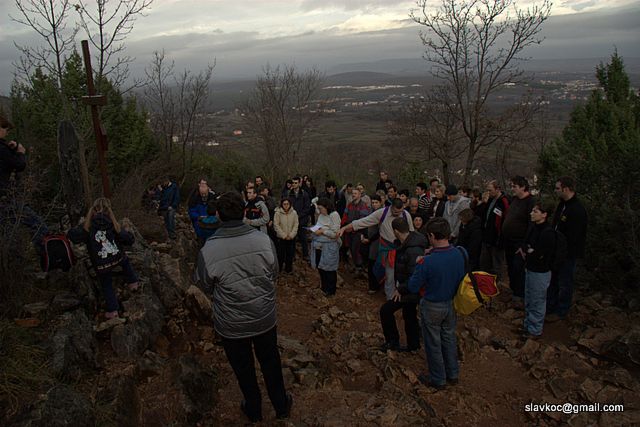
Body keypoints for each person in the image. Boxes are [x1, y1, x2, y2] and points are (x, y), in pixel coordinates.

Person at [196, 192, 292, 423]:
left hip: (232, 324)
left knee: (243, 368)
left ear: (218, 215)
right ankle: (281, 405)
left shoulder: (209, 250)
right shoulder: (263, 241)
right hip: (264, 316)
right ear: (244, 213)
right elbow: (274, 272)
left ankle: (254, 409)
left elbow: (204, 284)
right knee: (270, 362)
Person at [408, 217, 464, 390]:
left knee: (433, 342)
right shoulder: (459, 253)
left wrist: (419, 264)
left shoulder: (427, 262)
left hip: (432, 304)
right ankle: (452, 373)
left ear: (432, 236)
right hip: (451, 302)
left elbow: (413, 286)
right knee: (448, 338)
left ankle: (438, 378)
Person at [68, 198, 139, 319]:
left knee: (106, 283)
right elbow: (128, 239)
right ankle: (133, 283)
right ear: (109, 210)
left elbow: (73, 236)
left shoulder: (87, 227)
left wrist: (87, 219)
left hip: (101, 264)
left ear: (93, 210)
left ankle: (113, 310)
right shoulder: (112, 224)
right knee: (125, 261)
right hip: (117, 258)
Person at [339, 198, 414, 301]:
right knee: (389, 275)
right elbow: (363, 222)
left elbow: (411, 232)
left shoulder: (406, 215)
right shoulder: (382, 213)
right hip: (387, 249)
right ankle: (390, 299)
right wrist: (344, 228)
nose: (398, 214)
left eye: (400, 212)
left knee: (402, 274)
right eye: (396, 212)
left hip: (402, 249)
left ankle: (402, 296)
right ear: (391, 207)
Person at [0, 115, 49, 252]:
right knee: (38, 226)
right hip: (7, 197)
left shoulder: (3, 148)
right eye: (5, 128)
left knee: (8, 234)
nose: (6, 132)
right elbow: (19, 165)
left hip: (5, 198)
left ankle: (11, 267)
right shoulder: (2, 149)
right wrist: (21, 152)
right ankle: (48, 257)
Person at [379, 217, 427, 352]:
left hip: (409, 289)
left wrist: (401, 289)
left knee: (386, 310)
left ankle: (393, 342)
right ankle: (413, 345)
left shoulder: (412, 250)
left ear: (396, 231)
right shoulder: (407, 243)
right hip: (408, 288)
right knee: (409, 315)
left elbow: (414, 274)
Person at [547, 176, 588, 321]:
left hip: (567, 254)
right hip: (555, 251)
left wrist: (563, 252)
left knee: (564, 281)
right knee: (553, 280)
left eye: (558, 188)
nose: (556, 191)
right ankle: (550, 306)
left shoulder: (577, 210)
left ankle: (561, 311)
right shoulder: (562, 205)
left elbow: (574, 237)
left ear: (566, 188)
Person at [520, 200, 556, 338]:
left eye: (535, 211)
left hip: (540, 272)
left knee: (537, 300)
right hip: (530, 268)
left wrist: (531, 251)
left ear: (544, 214)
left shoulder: (548, 233)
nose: (531, 213)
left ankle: (534, 330)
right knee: (529, 298)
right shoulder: (534, 227)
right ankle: (528, 325)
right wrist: (528, 250)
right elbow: (526, 245)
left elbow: (540, 254)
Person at [502, 176, 535, 302]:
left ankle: (520, 295)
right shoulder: (515, 200)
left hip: (519, 242)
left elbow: (531, 225)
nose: (512, 189)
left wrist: (524, 245)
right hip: (508, 240)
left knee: (518, 268)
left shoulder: (530, 202)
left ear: (523, 187)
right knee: (510, 266)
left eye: (514, 186)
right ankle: (513, 290)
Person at [310, 198, 341, 296]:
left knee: (330, 269)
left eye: (321, 208)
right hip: (319, 245)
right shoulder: (321, 215)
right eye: (318, 208)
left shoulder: (334, 215)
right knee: (321, 267)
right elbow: (318, 225)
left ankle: (331, 291)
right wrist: (314, 229)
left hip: (329, 246)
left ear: (327, 207)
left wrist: (323, 231)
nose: (320, 211)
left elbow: (335, 234)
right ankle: (323, 288)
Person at [480, 180, 510, 277]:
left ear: (498, 189)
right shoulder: (490, 200)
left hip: (497, 239)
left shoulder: (504, 201)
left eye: (491, 190)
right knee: (485, 263)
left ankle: (497, 285)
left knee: (496, 265)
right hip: (486, 237)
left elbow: (505, 220)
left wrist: (500, 239)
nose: (489, 192)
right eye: (488, 190)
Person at [340, 187, 371, 273]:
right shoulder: (350, 205)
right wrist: (343, 226)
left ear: (360, 194)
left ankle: (360, 267)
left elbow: (363, 221)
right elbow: (345, 216)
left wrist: (357, 231)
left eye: (355, 193)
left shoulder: (363, 206)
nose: (353, 195)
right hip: (348, 231)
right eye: (353, 193)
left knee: (356, 249)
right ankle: (355, 265)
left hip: (358, 232)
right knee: (350, 248)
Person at [363, 195, 383, 294]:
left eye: (376, 202)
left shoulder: (382, 214)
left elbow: (380, 231)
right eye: (373, 202)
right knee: (370, 263)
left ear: (380, 203)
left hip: (377, 243)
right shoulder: (371, 212)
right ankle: (373, 285)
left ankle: (374, 286)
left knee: (374, 264)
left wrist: (369, 239)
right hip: (370, 241)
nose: (374, 204)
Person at [187, 178, 217, 245]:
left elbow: (216, 211)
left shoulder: (212, 197)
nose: (202, 187)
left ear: (208, 187)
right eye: (201, 185)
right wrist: (199, 217)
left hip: (212, 225)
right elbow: (191, 211)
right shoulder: (194, 197)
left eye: (204, 185)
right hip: (199, 225)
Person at [289, 176, 312, 260]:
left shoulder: (304, 194)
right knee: (292, 238)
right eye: (293, 183)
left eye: (296, 183)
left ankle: (305, 255)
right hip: (291, 220)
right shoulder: (289, 193)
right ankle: (292, 255)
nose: (294, 184)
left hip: (302, 220)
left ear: (299, 183)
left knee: (303, 238)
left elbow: (307, 208)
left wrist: (298, 216)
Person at [273, 198, 298, 273]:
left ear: (290, 204)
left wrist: (291, 235)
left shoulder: (294, 213)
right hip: (281, 238)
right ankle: (279, 269)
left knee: (290, 254)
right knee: (281, 254)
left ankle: (288, 269)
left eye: (287, 204)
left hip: (291, 237)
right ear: (282, 204)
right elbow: (276, 225)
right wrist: (283, 235)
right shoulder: (278, 213)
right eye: (284, 204)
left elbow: (296, 224)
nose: (286, 206)